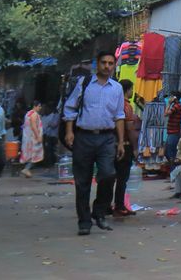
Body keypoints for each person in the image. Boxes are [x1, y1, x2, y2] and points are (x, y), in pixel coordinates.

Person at [63, 51, 126, 235]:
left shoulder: (117, 88)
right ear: (96, 64)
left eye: (111, 63)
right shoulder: (84, 85)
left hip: (107, 138)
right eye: (104, 63)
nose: (107, 66)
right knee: (82, 181)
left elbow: (119, 116)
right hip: (83, 137)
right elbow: (70, 107)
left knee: (108, 174)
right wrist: (69, 131)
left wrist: (121, 142)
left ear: (114, 66)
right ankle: (84, 221)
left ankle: (99, 212)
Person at [112, 79, 142, 217]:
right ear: (127, 90)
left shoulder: (114, 104)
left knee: (112, 177)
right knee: (122, 178)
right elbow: (130, 129)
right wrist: (135, 147)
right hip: (125, 144)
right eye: (131, 89)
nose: (132, 92)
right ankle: (119, 205)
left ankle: (110, 204)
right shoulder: (126, 107)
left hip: (112, 144)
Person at [20, 102, 45, 178]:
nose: (40, 108)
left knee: (30, 154)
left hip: (28, 137)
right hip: (33, 138)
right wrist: (38, 136)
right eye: (39, 106)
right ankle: (26, 169)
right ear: (35, 106)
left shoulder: (28, 114)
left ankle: (27, 171)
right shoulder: (34, 114)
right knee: (35, 154)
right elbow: (34, 126)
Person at [164, 92, 181, 164]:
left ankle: (173, 168)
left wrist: (169, 104)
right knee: (167, 151)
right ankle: (173, 167)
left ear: (175, 98)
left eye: (171, 96)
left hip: (174, 133)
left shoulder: (177, 106)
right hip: (172, 132)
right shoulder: (177, 106)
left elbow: (166, 114)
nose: (169, 98)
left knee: (170, 152)